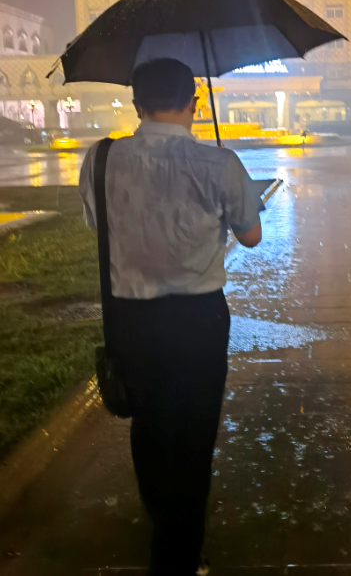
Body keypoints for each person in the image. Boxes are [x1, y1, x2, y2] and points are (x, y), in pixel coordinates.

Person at [79, 58, 262, 576]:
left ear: (137, 104)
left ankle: (163, 521)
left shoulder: (101, 159)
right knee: (194, 432)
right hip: (198, 320)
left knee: (149, 424)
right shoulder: (219, 164)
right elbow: (251, 236)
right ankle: (177, 555)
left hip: (130, 319)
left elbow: (97, 224)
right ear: (195, 104)